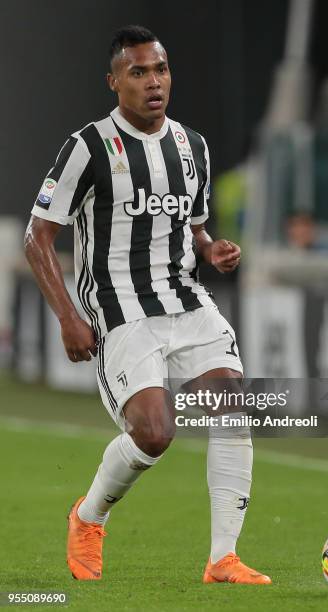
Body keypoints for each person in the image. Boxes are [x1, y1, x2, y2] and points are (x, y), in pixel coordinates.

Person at [24, 25, 271, 585]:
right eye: (138, 72)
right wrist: (68, 314)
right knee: (155, 433)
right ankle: (89, 516)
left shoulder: (194, 147)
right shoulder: (87, 147)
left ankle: (222, 559)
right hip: (120, 312)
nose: (153, 82)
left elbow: (195, 226)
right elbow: (38, 236)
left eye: (159, 69)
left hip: (187, 301)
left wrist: (213, 251)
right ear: (114, 83)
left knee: (233, 410)